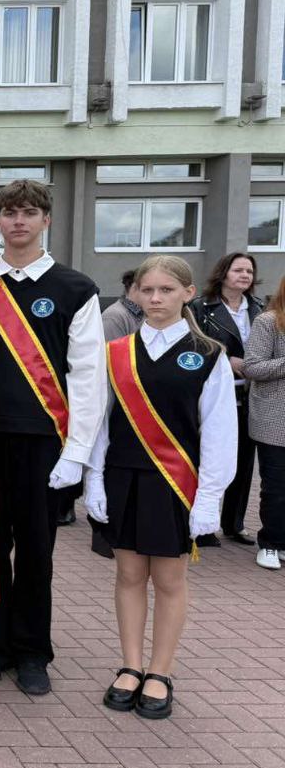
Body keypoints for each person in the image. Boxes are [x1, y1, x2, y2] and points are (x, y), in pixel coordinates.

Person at [0, 179, 107, 697]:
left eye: (29, 212)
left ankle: (31, 652)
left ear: (46, 220)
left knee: (35, 553)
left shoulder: (75, 288)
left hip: (44, 444)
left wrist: (77, 453)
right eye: (9, 213)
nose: (19, 221)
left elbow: (88, 375)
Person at [86, 255, 236, 720]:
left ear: (188, 293)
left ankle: (160, 671)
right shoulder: (115, 352)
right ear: (134, 293)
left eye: (166, 290)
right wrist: (94, 480)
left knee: (169, 580)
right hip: (123, 477)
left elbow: (219, 432)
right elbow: (100, 424)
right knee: (129, 576)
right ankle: (131, 665)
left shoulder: (208, 355)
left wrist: (209, 498)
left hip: (176, 483)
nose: (155, 298)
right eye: (147, 290)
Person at [192, 252, 263, 547]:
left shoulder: (259, 309)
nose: (245, 275)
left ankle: (233, 524)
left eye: (249, 271)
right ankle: (202, 525)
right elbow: (193, 345)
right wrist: (225, 359)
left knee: (243, 463)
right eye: (238, 270)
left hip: (251, 396)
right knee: (208, 459)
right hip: (215, 394)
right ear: (223, 273)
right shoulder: (200, 307)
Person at [242, 275, 285, 571]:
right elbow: (252, 367)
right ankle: (270, 543)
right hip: (274, 422)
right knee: (276, 488)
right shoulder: (268, 321)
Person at [101, 269, 145, 342]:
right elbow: (112, 348)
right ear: (134, 287)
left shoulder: (144, 312)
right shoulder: (114, 316)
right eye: (148, 289)